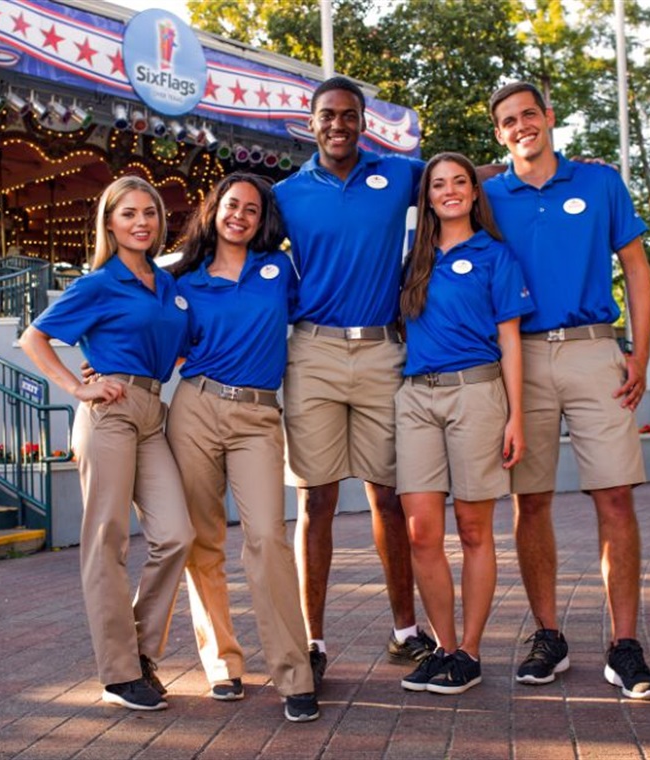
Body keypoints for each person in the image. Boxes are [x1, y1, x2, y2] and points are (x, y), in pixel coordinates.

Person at [482, 81, 650, 700]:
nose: (521, 125)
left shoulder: (599, 182)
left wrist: (642, 351)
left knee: (615, 497)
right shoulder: (487, 195)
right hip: (520, 358)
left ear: (550, 117)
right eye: (508, 121)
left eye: (529, 114)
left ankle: (625, 645)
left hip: (592, 348)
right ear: (499, 133)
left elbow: (637, 268)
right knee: (529, 500)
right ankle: (549, 636)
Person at [273, 76, 434, 685]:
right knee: (316, 499)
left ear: (362, 122)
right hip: (311, 351)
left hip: (380, 351)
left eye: (348, 115)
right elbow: (227, 243)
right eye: (327, 116)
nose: (338, 124)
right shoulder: (286, 194)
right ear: (310, 124)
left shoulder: (396, 175)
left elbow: (463, 176)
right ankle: (312, 642)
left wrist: (545, 162)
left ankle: (405, 633)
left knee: (388, 497)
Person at [18, 176, 194, 711]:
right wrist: (79, 384)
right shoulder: (100, 283)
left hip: (153, 412)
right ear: (110, 223)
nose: (141, 222)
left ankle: (138, 652)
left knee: (176, 535)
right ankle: (119, 675)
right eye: (128, 214)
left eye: (150, 213)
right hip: (110, 414)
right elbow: (34, 337)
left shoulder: (165, 284)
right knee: (108, 540)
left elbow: (178, 348)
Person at [165, 173, 320, 723]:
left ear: (262, 221)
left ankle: (295, 672)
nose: (240, 216)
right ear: (215, 210)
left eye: (252, 210)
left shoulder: (279, 270)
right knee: (203, 543)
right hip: (196, 409)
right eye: (232, 205)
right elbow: (150, 335)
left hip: (258, 415)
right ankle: (221, 662)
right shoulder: (183, 281)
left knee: (266, 540)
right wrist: (102, 361)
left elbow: (319, 313)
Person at [395, 152, 533, 696]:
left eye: (460, 183)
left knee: (475, 531)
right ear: (426, 197)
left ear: (476, 194)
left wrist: (515, 415)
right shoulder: (413, 258)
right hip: (415, 400)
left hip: (476, 395)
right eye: (438, 184)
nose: (449, 191)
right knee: (422, 533)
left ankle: (471, 653)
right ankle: (444, 648)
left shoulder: (496, 256)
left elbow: (510, 341)